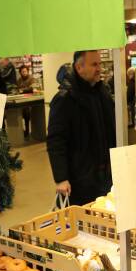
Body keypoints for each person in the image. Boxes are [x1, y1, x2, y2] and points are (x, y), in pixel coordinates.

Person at [47, 50, 116, 206]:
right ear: (79, 68)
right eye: (94, 64)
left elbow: (112, 130)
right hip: (80, 180)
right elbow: (56, 141)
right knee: (83, 219)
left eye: (99, 64)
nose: (99, 69)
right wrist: (61, 178)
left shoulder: (102, 93)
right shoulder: (65, 99)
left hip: (106, 175)